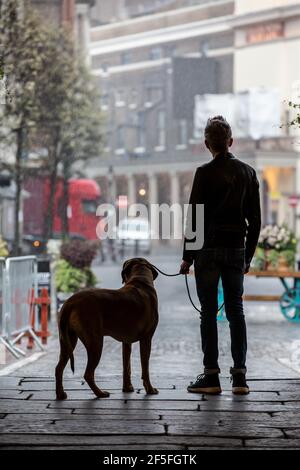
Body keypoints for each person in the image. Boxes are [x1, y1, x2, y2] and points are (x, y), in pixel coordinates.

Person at [180, 116, 261, 395]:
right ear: (230, 141)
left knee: (208, 313)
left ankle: (211, 376)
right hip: (235, 247)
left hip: (208, 251)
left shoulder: (204, 173)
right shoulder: (248, 173)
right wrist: (247, 257)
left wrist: (187, 257)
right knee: (236, 311)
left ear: (206, 144)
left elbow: (195, 218)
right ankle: (240, 377)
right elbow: (256, 221)